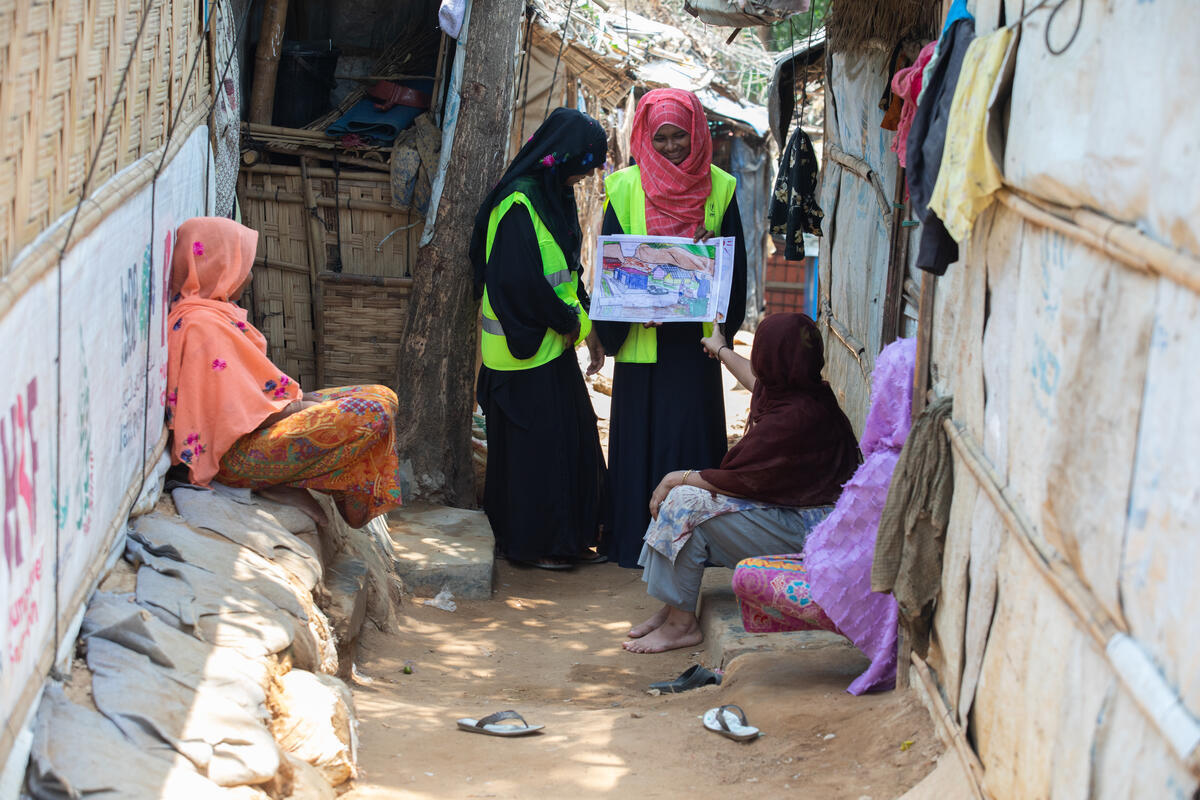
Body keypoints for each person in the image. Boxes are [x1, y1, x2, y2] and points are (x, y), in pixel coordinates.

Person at [622, 313, 860, 653]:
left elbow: (743, 481)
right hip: (812, 520)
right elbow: (756, 382)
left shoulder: (795, 417)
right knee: (688, 499)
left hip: (814, 536)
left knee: (684, 504)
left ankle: (681, 625)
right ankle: (675, 605)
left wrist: (675, 478)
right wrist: (720, 350)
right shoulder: (803, 391)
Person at [593, 88, 748, 568]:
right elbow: (611, 261)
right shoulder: (622, 187)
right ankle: (633, 544)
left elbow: (735, 262)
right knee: (640, 438)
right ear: (645, 136)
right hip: (642, 337)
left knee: (689, 434)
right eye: (661, 138)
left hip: (693, 341)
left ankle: (692, 545)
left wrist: (711, 250)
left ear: (697, 132)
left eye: (680, 136)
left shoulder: (720, 187)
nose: (672, 146)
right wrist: (619, 313)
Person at [166, 217, 404, 528]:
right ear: (219, 265)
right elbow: (237, 418)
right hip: (236, 456)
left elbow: (251, 394)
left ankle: (326, 488)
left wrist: (305, 402)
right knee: (372, 412)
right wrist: (305, 407)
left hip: (254, 435)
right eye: (241, 263)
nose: (248, 276)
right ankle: (286, 484)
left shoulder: (212, 314)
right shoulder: (202, 325)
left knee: (383, 395)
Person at [732, 337, 915, 694]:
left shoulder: (883, 469)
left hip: (861, 589)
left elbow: (833, 543)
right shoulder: (909, 456)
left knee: (746, 573)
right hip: (870, 577)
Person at [470, 107, 609, 570]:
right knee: (538, 457)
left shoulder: (552, 196)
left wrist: (584, 322)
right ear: (561, 158)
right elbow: (517, 282)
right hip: (521, 352)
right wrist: (570, 322)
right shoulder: (518, 203)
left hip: (549, 349)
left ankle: (559, 542)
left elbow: (567, 269)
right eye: (583, 167)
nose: (584, 177)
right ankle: (534, 547)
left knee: (569, 445)